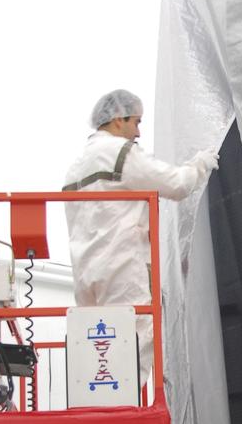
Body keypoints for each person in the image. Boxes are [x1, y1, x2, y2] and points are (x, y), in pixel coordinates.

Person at [63, 89, 217, 384]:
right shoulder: (120, 154)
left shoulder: (75, 168)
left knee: (96, 348)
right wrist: (199, 164)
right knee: (132, 339)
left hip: (85, 274)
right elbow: (176, 184)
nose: (138, 132)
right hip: (121, 266)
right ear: (118, 120)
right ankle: (125, 412)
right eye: (136, 121)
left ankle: (100, 410)